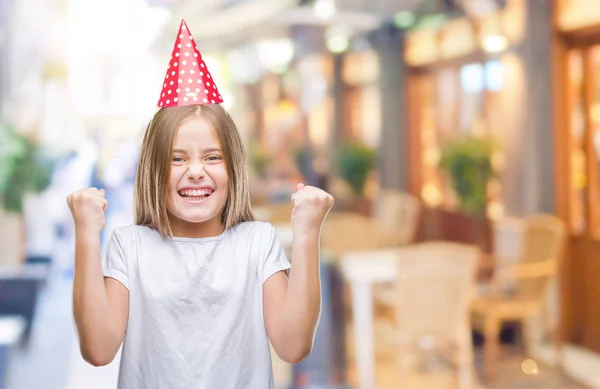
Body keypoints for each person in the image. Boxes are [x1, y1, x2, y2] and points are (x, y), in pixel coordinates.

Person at [65, 19, 334, 389]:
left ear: (233, 168)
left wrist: (307, 235)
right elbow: (98, 350)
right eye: (177, 159)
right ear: (153, 172)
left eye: (211, 157)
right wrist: (85, 235)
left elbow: (293, 346)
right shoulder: (131, 247)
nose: (195, 172)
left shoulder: (257, 242)